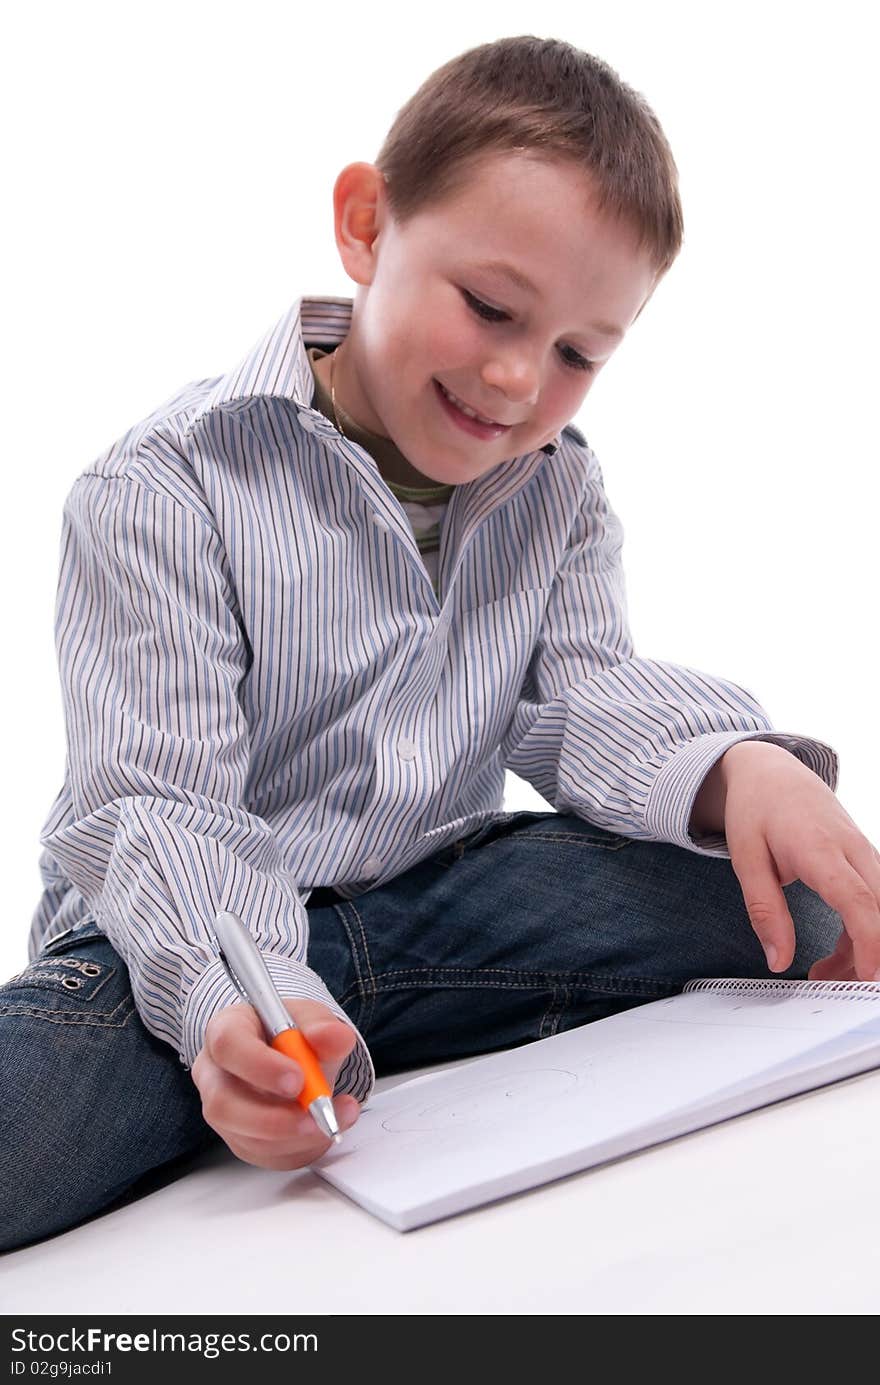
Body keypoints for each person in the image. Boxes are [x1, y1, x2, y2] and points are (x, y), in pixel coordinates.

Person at [2, 35, 876, 1255]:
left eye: (579, 353)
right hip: (196, 937)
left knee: (796, 910)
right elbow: (157, 804)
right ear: (366, 225)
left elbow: (578, 696)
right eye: (490, 307)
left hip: (436, 904)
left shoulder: (556, 488)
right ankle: (252, 1058)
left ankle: (371, 1027)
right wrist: (228, 1007)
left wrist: (735, 766)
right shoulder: (165, 484)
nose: (519, 378)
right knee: (29, 1110)